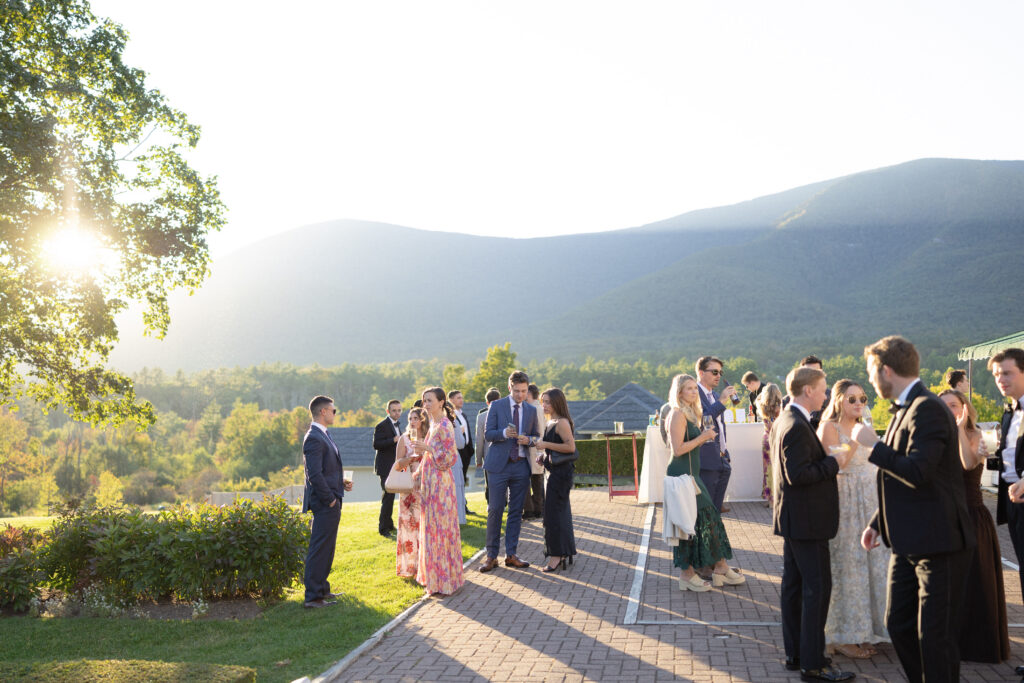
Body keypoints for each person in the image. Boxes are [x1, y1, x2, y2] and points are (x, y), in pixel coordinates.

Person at [851, 335, 974, 683]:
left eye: (871, 372)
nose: (871, 380)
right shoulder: (904, 408)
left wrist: (873, 446)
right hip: (908, 542)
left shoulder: (928, 409)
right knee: (899, 624)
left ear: (886, 370)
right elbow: (900, 476)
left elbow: (919, 472)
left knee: (935, 638)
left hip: (940, 542)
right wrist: (877, 522)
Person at [772, 366, 853, 681]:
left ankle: (796, 655)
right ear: (808, 391)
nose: (826, 394)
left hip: (795, 519)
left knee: (793, 588)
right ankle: (814, 663)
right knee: (816, 590)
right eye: (822, 388)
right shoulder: (796, 425)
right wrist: (834, 462)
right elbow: (798, 474)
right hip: (807, 521)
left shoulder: (786, 419)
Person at [817, 380, 889, 660]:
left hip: (870, 500)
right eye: (852, 399)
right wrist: (857, 438)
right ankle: (842, 636)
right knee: (848, 566)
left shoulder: (864, 425)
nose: (859, 403)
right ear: (838, 401)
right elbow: (839, 463)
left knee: (874, 566)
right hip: (845, 502)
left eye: (862, 398)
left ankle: (868, 629)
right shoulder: (829, 427)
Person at [938, 389, 1009, 663]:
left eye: (953, 405)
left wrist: (958, 429)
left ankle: (978, 646)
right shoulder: (935, 436)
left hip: (971, 515)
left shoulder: (976, 435)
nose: (949, 410)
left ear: (965, 408)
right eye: (943, 406)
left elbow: (968, 464)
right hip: (945, 517)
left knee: (976, 581)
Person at [665, 374, 744, 592]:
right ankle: (688, 574)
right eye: (688, 388)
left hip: (693, 475)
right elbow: (677, 450)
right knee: (689, 524)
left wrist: (702, 438)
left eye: (694, 388)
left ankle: (720, 567)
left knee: (707, 520)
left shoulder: (691, 413)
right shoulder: (677, 414)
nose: (693, 392)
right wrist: (703, 437)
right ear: (679, 392)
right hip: (681, 476)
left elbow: (690, 446)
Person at [480, 371, 540, 572]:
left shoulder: (531, 410)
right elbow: (488, 434)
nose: (520, 395)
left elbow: (536, 436)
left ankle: (511, 555)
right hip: (498, 466)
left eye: (524, 391)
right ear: (509, 388)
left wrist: (529, 440)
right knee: (495, 509)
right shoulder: (497, 406)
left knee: (516, 511)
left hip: (521, 465)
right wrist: (504, 433)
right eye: (517, 391)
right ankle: (491, 556)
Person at [407, 387, 464, 597]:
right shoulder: (432, 424)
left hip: (441, 484)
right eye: (424, 400)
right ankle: (435, 580)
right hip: (429, 482)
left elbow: (450, 457)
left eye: (430, 400)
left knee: (440, 531)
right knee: (431, 531)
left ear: (441, 402)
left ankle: (444, 582)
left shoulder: (445, 425)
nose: (426, 404)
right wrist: (417, 474)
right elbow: (428, 457)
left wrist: (428, 449)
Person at [301, 395, 352, 608]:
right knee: (319, 547)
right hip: (324, 502)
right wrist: (330, 499)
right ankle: (313, 597)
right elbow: (314, 474)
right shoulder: (314, 437)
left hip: (332, 497)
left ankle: (322, 589)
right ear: (323, 411)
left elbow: (325, 469)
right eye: (333, 410)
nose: (334, 413)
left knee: (327, 547)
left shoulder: (324, 434)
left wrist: (340, 482)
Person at [995, 349, 1024, 680]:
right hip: (1014, 506)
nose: (1000, 380)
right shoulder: (1009, 412)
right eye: (996, 375)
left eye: (1007, 373)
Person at [534, 387, 577, 572]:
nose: (544, 405)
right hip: (553, 472)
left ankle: (557, 556)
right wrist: (544, 456)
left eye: (548, 402)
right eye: (543, 401)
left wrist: (545, 444)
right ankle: (563, 552)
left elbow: (570, 447)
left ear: (557, 403)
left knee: (554, 516)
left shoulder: (562, 422)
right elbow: (556, 448)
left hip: (561, 475)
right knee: (557, 514)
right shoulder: (551, 421)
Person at [695, 356, 737, 513]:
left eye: (720, 372)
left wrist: (724, 450)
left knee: (715, 510)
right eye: (714, 372)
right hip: (706, 458)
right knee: (705, 509)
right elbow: (703, 421)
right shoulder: (694, 393)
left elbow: (719, 425)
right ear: (701, 373)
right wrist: (722, 401)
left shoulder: (714, 395)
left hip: (720, 456)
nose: (718, 375)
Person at [394, 407, 428, 578]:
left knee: (425, 526)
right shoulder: (404, 438)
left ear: (423, 420)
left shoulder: (429, 438)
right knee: (409, 527)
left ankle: (425, 567)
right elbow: (397, 464)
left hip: (427, 486)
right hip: (409, 488)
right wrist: (410, 459)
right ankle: (410, 568)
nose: (413, 421)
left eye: (416, 418)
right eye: (410, 418)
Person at [373, 400, 403, 537]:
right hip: (385, 467)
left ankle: (389, 524)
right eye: (394, 410)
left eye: (399, 410)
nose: (397, 413)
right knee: (388, 497)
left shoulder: (398, 425)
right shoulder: (381, 425)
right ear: (388, 411)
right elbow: (376, 444)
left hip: (395, 466)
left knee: (390, 496)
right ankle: (383, 528)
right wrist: (393, 440)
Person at [755, 382, 783, 507]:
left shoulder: (762, 406)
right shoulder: (780, 408)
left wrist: (764, 393)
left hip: (766, 440)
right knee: (778, 469)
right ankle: (777, 497)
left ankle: (769, 498)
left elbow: (757, 398)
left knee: (767, 470)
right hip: (777, 439)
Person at [523, 383, 546, 520]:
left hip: (532, 448)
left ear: (529, 394)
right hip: (541, 449)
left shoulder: (532, 409)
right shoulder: (542, 409)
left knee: (526, 482)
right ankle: (539, 509)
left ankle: (529, 510)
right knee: (538, 481)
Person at [475, 387, 501, 504]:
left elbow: (479, 440)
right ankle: (503, 502)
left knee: (490, 482)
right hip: (503, 454)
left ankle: (490, 503)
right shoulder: (505, 414)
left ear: (487, 402)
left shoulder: (481, 416)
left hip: (488, 454)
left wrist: (478, 459)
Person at [449, 390, 475, 490]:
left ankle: (463, 499)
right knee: (457, 480)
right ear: (451, 400)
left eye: (462, 398)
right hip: (457, 451)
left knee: (463, 479)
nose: (461, 400)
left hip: (466, 451)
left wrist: (470, 450)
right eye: (458, 398)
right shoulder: (451, 417)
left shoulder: (463, 415)